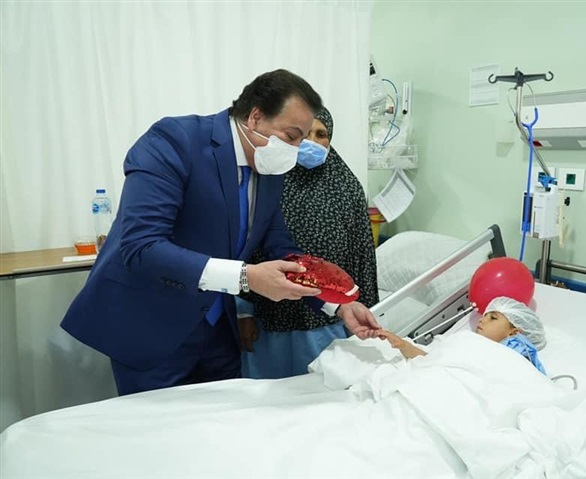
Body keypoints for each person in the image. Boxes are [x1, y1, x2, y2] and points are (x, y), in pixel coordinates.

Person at [61, 69, 381, 396]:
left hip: (216, 329)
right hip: (153, 324)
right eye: (291, 136)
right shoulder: (175, 141)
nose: (297, 149)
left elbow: (280, 248)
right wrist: (245, 277)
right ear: (256, 117)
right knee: (159, 425)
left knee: (226, 419)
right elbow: (142, 246)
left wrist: (336, 304)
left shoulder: (268, 167)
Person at [238, 106, 380, 378]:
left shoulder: (347, 188)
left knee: (323, 391)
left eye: (321, 134)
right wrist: (243, 312)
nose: (312, 142)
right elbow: (246, 249)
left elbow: (362, 255)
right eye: (304, 134)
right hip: (270, 314)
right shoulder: (267, 182)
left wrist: (364, 309)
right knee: (268, 394)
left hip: (328, 319)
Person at [379, 296, 547, 374]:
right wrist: (403, 345)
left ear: (514, 332)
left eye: (493, 318)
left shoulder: (515, 359)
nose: (483, 319)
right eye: (485, 315)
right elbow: (432, 361)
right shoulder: (466, 341)